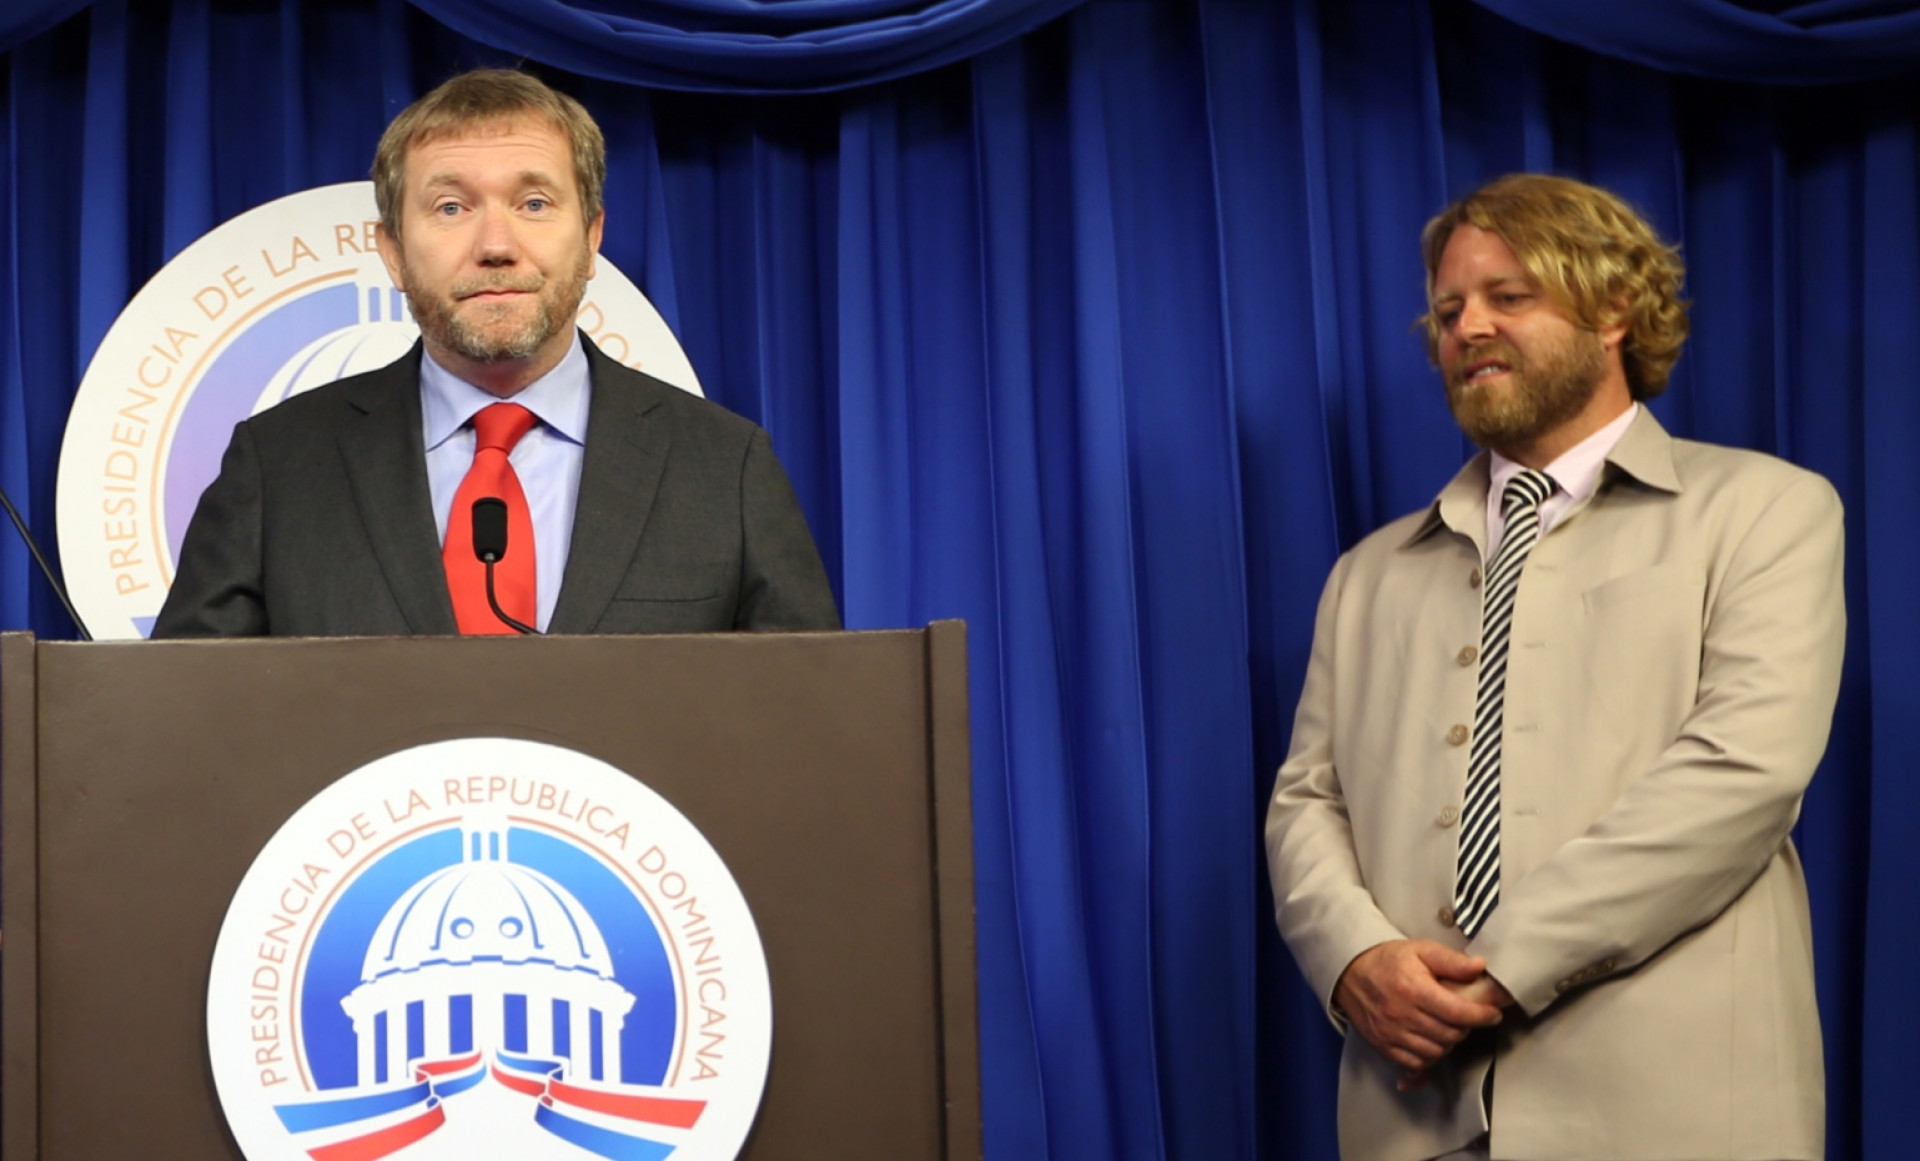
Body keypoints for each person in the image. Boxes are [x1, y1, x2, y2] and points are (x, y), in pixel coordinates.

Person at [1265, 174, 1843, 1161]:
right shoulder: (1366, 574)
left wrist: (1491, 970)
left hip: (1673, 1114)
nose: (1468, 327)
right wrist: (1356, 960)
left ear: (1614, 309)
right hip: (1413, 1114)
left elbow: (1744, 774)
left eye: (1509, 296)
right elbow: (1307, 802)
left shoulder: (1765, 511)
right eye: (1449, 309)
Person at [152, 69, 839, 638]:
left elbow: (810, 720)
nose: (496, 245)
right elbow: (187, 722)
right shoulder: (276, 467)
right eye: (451, 208)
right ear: (392, 251)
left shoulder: (726, 467)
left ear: (592, 236)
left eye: (534, 203)